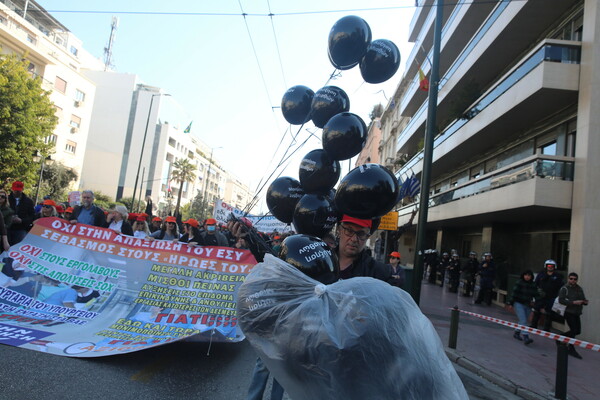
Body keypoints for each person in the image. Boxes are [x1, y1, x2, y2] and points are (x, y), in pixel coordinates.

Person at [558, 272, 588, 359]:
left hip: (577, 312)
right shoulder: (564, 288)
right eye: (571, 279)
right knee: (574, 330)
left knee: (577, 331)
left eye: (575, 279)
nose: (573, 280)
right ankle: (571, 347)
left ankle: (561, 337)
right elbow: (561, 300)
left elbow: (582, 298)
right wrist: (573, 302)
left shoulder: (579, 288)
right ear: (568, 279)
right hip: (568, 312)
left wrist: (584, 302)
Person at [530, 259, 564, 332]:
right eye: (549, 266)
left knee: (549, 313)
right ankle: (533, 326)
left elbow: (561, 286)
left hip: (552, 297)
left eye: (552, 266)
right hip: (541, 296)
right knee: (537, 311)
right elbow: (536, 284)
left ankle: (546, 328)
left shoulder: (558, 276)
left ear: (554, 267)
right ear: (546, 266)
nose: (550, 267)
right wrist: (536, 293)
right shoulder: (541, 274)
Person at [507, 270, 538, 345]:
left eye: (529, 275)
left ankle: (517, 332)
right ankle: (526, 336)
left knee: (523, 321)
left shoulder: (533, 284)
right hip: (518, 303)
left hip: (528, 305)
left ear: (531, 277)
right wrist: (511, 303)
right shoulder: (519, 283)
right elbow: (514, 293)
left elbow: (536, 294)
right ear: (523, 275)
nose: (527, 277)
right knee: (523, 320)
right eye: (526, 275)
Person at [7, 181, 35, 245]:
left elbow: (32, 216)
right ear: (12, 189)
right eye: (15, 190)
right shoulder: (6, 199)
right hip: (7, 228)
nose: (17, 192)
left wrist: (21, 220)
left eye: (18, 190)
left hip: (21, 229)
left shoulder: (28, 201)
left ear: (22, 189)